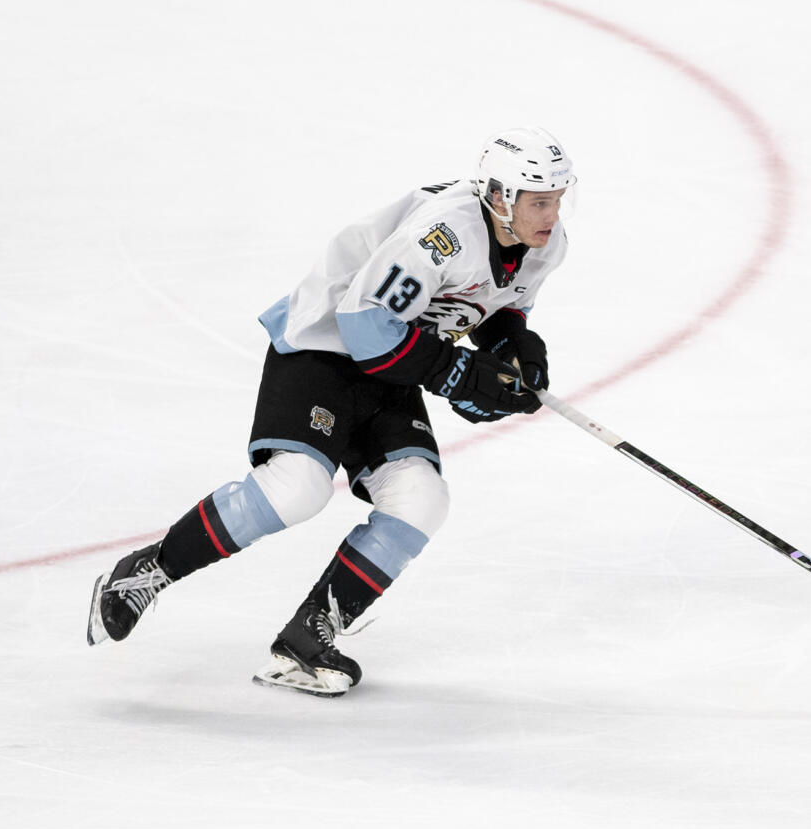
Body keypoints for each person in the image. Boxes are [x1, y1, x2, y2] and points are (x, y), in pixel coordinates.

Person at [87, 127, 575, 697]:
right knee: (298, 489)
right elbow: (365, 325)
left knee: (422, 499)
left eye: (558, 199)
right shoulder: (443, 235)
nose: (552, 214)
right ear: (498, 197)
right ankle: (145, 573)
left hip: (394, 362)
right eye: (539, 202)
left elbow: (493, 306)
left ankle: (308, 635)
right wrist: (456, 373)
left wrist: (512, 347)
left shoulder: (546, 242)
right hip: (324, 350)